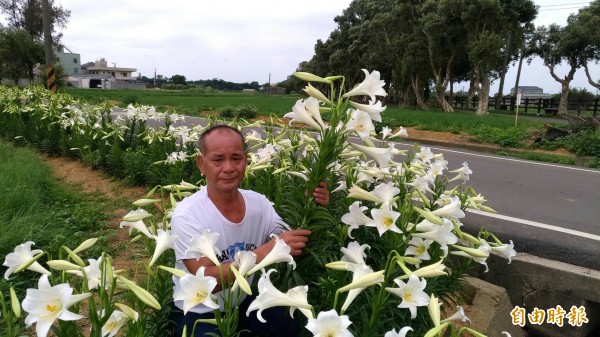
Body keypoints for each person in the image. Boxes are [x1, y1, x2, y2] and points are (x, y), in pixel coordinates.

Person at [170, 125, 329, 337]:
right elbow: (206, 282)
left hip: (243, 303)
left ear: (246, 160)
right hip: (199, 311)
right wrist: (263, 253)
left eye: (236, 158)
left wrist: (313, 205)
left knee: (288, 322)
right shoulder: (187, 215)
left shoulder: (258, 203)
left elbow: (291, 240)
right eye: (218, 160)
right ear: (202, 164)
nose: (228, 168)